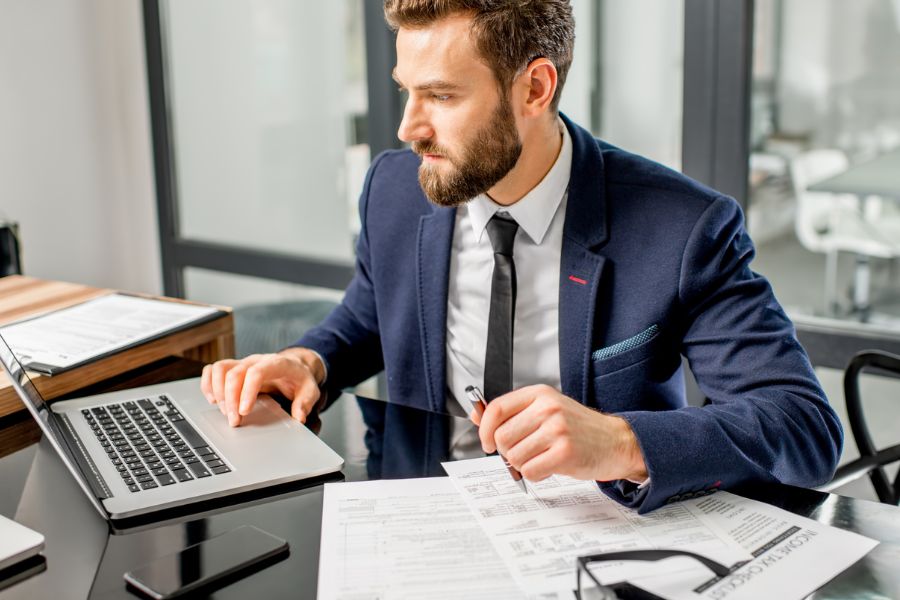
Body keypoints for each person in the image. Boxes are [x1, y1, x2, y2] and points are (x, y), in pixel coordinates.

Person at [201, 0, 842, 512]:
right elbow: (369, 313)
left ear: (535, 87)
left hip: (599, 533)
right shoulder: (395, 189)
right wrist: (309, 360)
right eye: (407, 90)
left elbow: (802, 426)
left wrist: (621, 442)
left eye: (443, 96)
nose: (407, 127)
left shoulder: (682, 227)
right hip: (416, 516)